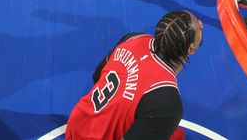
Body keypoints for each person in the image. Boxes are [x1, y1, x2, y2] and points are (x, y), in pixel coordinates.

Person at [65, 11, 203, 140]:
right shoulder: (168, 102)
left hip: (77, 124)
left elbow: (97, 75)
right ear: (190, 49)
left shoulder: (133, 38)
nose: (201, 23)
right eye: (199, 26)